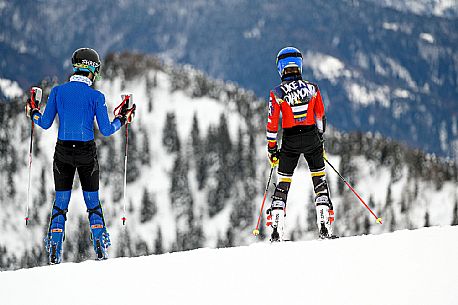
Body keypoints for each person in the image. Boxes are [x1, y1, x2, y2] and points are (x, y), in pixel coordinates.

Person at [25, 48, 136, 264]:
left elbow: (45, 123)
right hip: (86, 152)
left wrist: (33, 112)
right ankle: (101, 248)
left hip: (63, 152)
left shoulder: (58, 92)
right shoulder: (96, 96)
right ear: (92, 70)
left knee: (61, 201)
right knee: (92, 202)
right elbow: (106, 129)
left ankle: (54, 249)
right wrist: (123, 118)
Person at [266, 46, 335, 241]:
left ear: (280, 68)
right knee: (319, 180)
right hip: (312, 136)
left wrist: (272, 149)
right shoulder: (313, 89)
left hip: (290, 140)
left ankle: (277, 228)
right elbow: (320, 116)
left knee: (283, 183)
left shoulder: (277, 93)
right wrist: (319, 138)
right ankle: (324, 225)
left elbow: (272, 125)